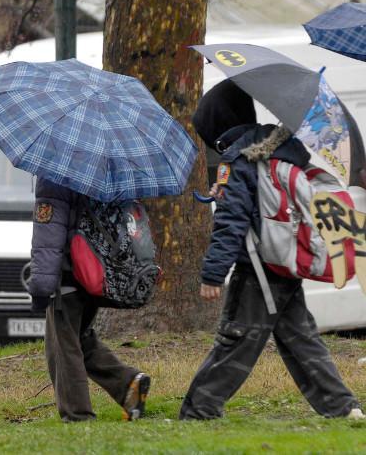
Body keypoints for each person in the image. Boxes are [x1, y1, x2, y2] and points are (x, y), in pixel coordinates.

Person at [180, 79, 363, 420]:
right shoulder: (279, 148)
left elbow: (231, 223)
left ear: (218, 126)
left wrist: (213, 274)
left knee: (237, 339)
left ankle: (199, 411)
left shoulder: (238, 160)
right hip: (284, 261)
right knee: (301, 338)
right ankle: (342, 408)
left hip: (259, 267)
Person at [29, 178, 150, 422]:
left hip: (69, 276)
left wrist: (41, 287)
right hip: (98, 273)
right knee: (81, 339)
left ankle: (78, 414)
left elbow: (48, 237)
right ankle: (128, 384)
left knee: (63, 348)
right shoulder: (106, 169)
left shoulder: (56, 175)